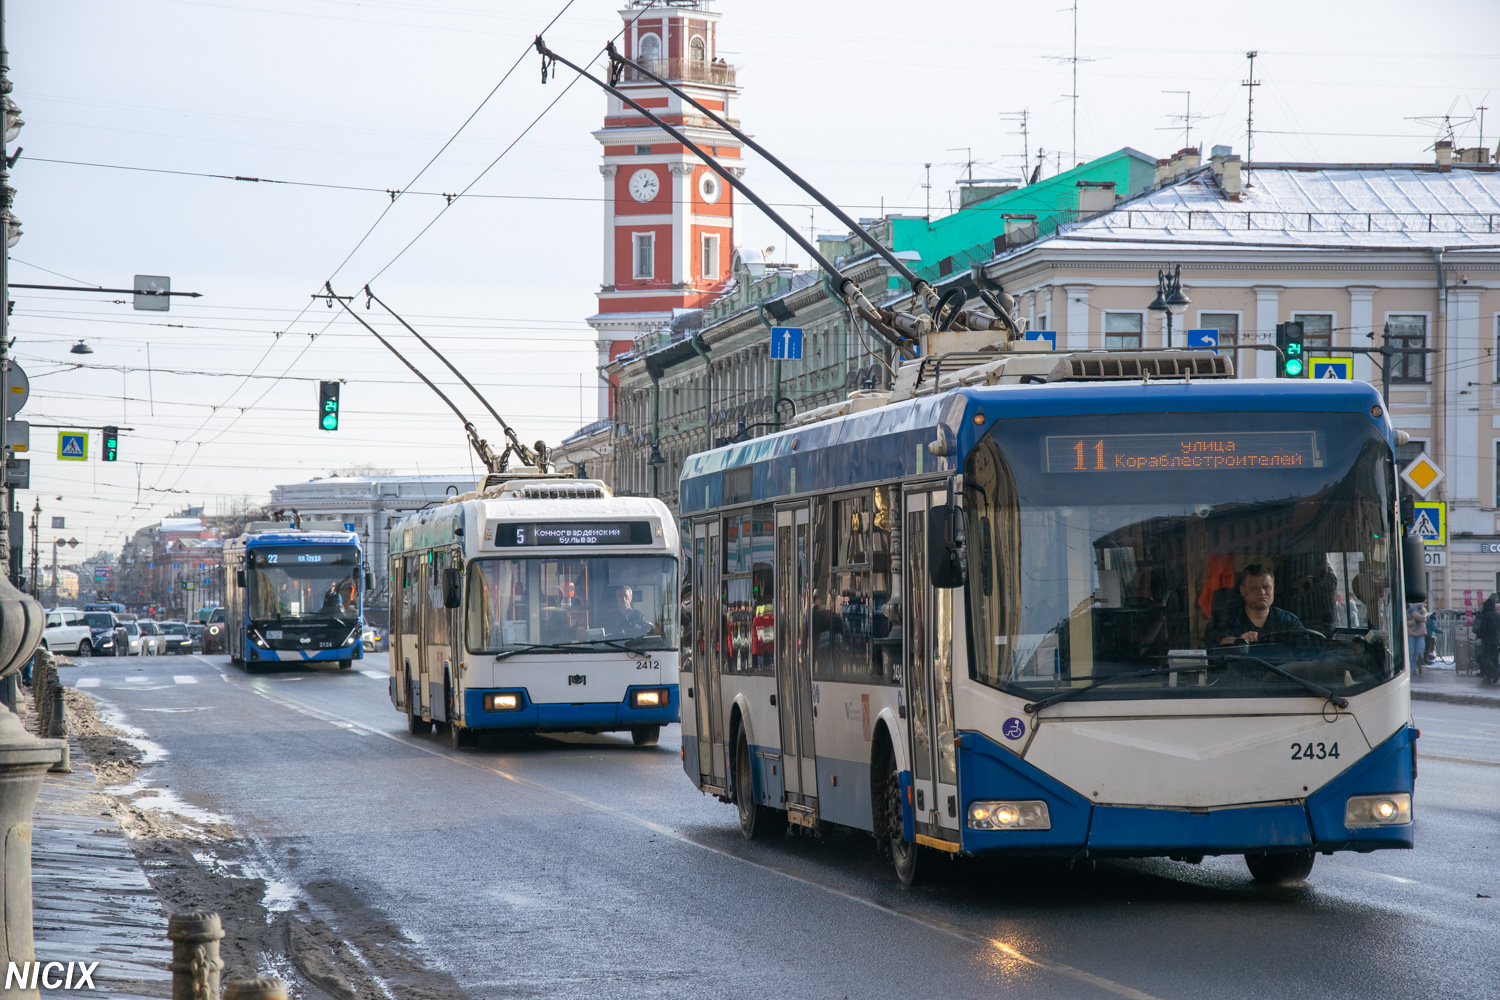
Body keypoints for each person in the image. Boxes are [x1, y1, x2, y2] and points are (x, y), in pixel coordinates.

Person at [1205, 565, 1304, 646]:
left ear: (1273, 588)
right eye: (1254, 588)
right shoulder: (1228, 618)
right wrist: (1239, 641)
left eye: (1266, 587)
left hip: (1282, 670)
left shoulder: (1289, 622)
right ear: (1242, 590)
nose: (1262, 592)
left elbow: (1307, 649)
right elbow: (1219, 640)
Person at [1475, 595, 1500, 685]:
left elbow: (1482, 629)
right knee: (1492, 658)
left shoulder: (1486, 615)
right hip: (1496, 640)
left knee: (1485, 658)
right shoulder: (1497, 616)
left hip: (1487, 640)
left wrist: (1479, 634)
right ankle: (1490, 678)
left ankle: (1496, 671)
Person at [1406, 601, 1428, 676]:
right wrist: (1415, 622)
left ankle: (1420, 665)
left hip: (1421, 633)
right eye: (1415, 602)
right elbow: (1406, 622)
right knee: (1411, 652)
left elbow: (1423, 618)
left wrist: (1414, 614)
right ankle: (1413, 669)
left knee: (1420, 651)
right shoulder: (1408, 610)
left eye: (1418, 602)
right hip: (1411, 633)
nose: (1417, 603)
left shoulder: (1423, 609)